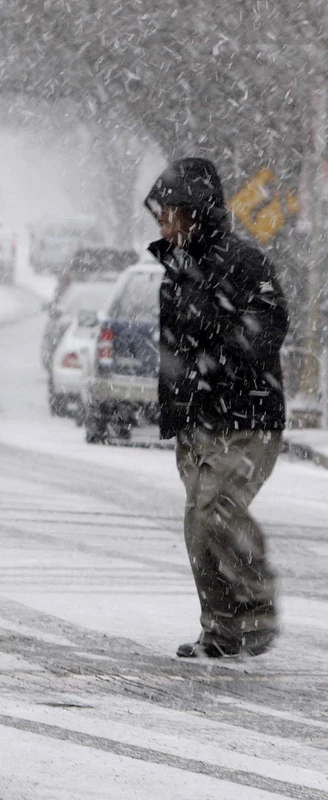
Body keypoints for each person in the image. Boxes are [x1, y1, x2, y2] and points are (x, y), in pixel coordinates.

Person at [145, 157, 288, 659]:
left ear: (194, 211)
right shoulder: (176, 272)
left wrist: (224, 353)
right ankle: (222, 631)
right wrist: (174, 410)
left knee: (217, 512)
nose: (161, 221)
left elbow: (271, 324)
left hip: (246, 417)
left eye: (169, 211)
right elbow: (172, 351)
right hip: (198, 423)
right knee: (199, 528)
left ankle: (256, 608)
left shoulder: (243, 262)